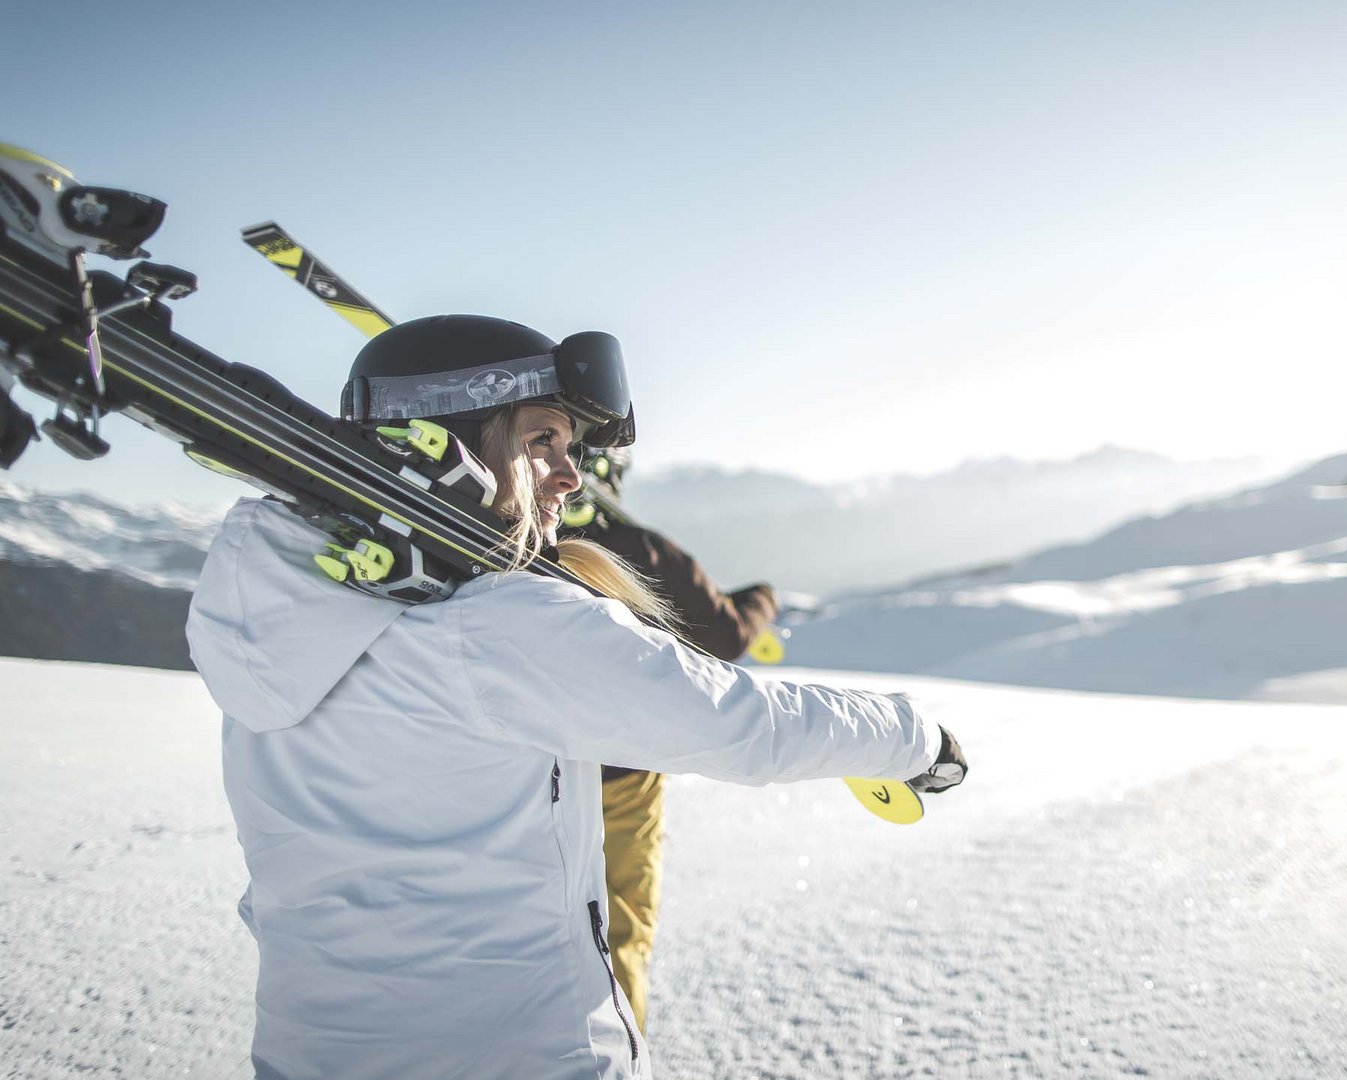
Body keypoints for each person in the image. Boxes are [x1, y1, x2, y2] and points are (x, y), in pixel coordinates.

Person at [187, 314, 966, 1080]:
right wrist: (913, 737)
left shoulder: (274, 610)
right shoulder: (501, 627)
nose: (572, 475)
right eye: (542, 442)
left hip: (313, 1049)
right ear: (454, 447)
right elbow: (746, 727)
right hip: (515, 1050)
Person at [563, 446, 780, 1031]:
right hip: (623, 773)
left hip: (524, 771)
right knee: (620, 925)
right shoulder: (643, 551)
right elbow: (726, 636)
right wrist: (762, 598)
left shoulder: (495, 535)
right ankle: (614, 1052)